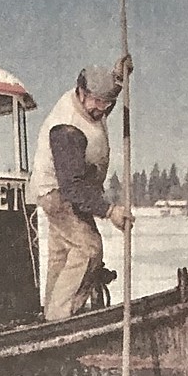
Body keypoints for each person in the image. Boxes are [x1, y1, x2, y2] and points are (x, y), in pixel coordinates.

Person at [28, 56, 134, 321]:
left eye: (107, 103)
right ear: (82, 92)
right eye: (98, 102)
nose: (102, 109)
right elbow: (72, 187)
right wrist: (110, 211)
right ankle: (61, 317)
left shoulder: (90, 104)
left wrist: (118, 80)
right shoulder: (67, 129)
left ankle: (51, 316)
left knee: (63, 253)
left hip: (68, 188)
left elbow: (102, 104)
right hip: (58, 194)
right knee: (89, 248)